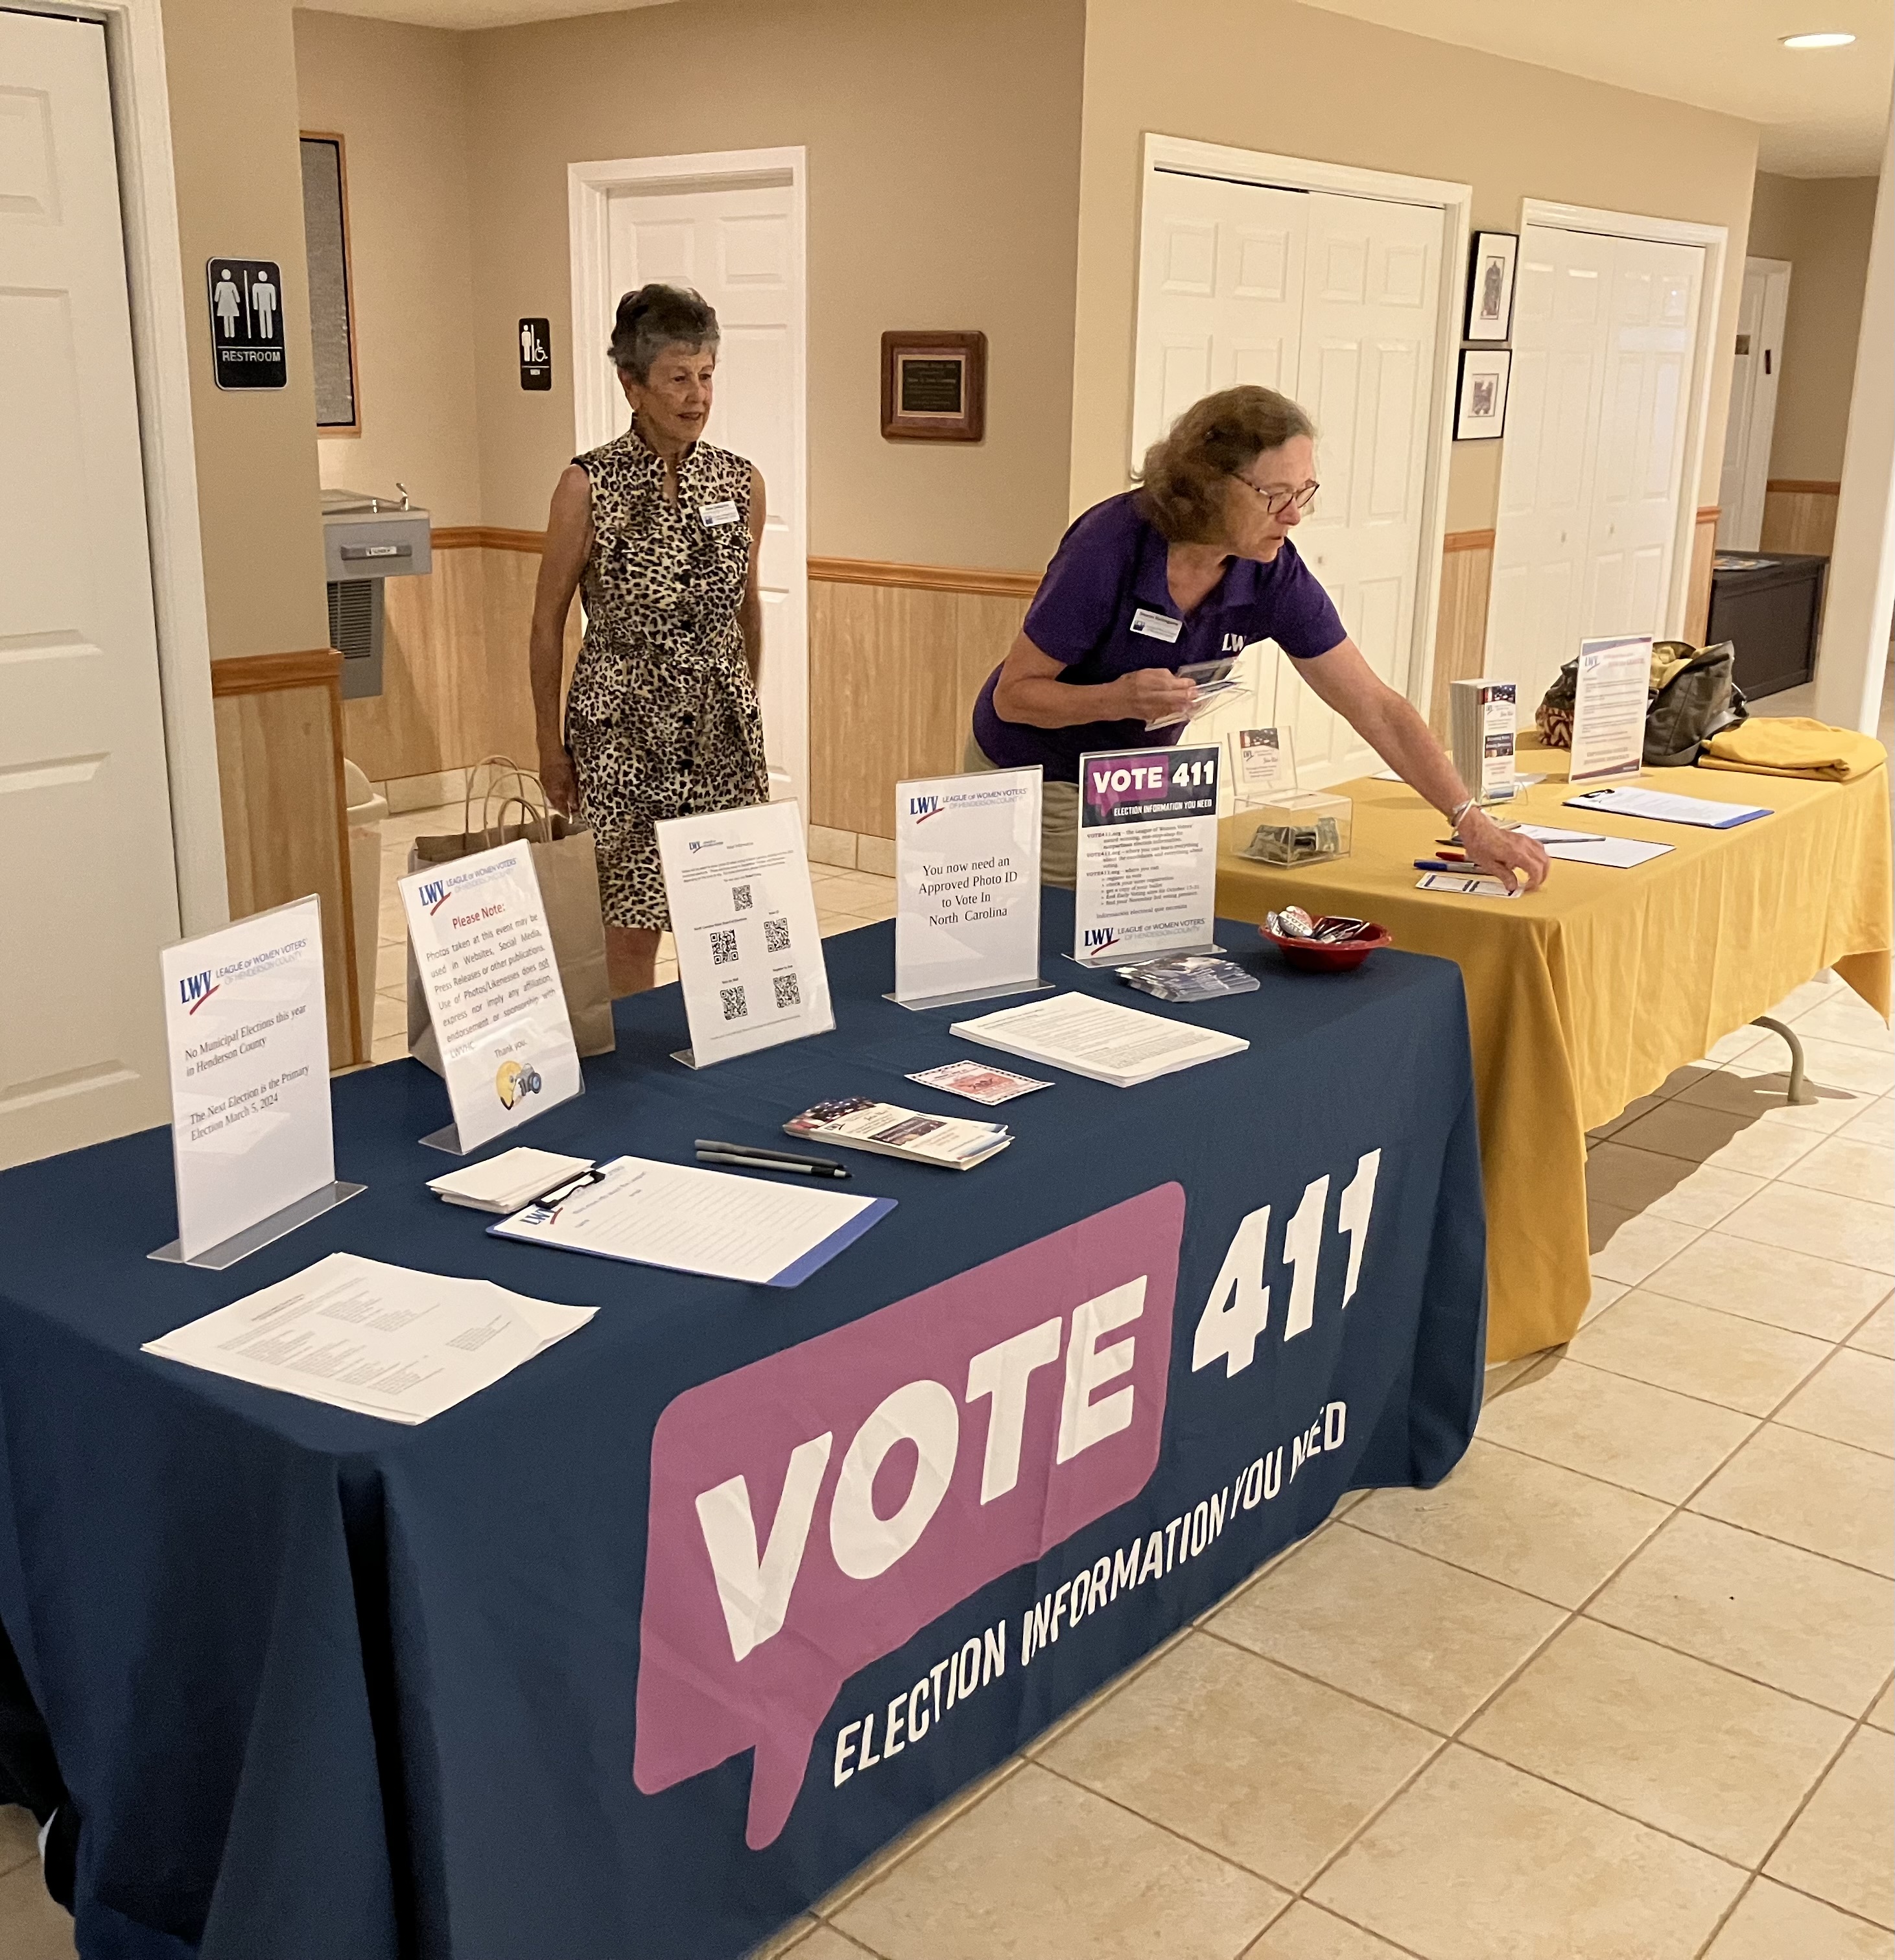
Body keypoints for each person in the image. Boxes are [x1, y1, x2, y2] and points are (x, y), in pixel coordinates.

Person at [967, 385, 1549, 893]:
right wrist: (1116, 699)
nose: (1294, 515)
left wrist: (1469, 820)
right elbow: (1015, 696)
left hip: (1135, 780)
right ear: (1207, 486)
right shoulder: (1109, 546)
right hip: (1038, 771)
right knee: (1068, 946)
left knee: (1142, 934)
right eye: (1274, 495)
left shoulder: (1267, 569)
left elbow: (1374, 706)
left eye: (1304, 492)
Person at [530, 284, 770, 995]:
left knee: (722, 917)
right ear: (631, 385)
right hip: (620, 731)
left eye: (706, 376)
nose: (696, 396)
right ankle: (636, 1087)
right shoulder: (587, 485)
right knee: (629, 926)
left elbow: (747, 608)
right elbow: (547, 624)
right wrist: (550, 742)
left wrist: (744, 708)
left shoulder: (741, 481)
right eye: (676, 378)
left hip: (720, 731)